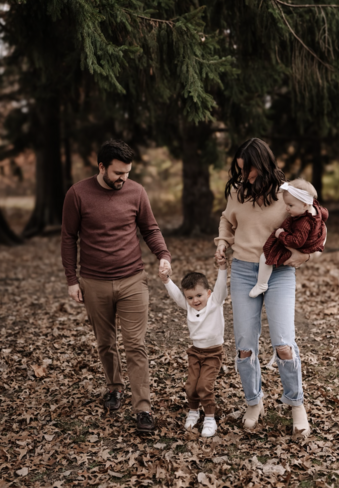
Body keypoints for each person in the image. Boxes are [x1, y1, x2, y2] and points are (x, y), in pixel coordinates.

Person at [61, 139, 172, 434]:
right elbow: (68, 237)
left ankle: (143, 408)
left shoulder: (136, 192)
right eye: (118, 173)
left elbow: (150, 228)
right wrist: (72, 280)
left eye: (127, 172)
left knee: (135, 344)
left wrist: (163, 255)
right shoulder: (77, 194)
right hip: (93, 281)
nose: (124, 179)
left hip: (133, 279)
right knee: (106, 342)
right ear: (101, 167)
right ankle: (114, 387)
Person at [215, 138, 322, 436]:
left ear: (263, 164)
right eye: (240, 169)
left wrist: (307, 255)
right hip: (244, 272)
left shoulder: (287, 193)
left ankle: (296, 403)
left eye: (249, 169)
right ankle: (253, 401)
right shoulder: (237, 192)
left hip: (280, 273)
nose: (245, 175)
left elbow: (317, 225)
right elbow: (226, 220)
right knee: (245, 346)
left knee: (284, 344)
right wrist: (222, 242)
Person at [159, 259, 228, 438]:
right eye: (190, 297)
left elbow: (221, 286)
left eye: (199, 296)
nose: (195, 300)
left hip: (213, 353)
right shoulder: (189, 307)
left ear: (208, 293)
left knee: (204, 386)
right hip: (195, 352)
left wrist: (222, 268)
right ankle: (193, 411)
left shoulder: (215, 302)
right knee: (191, 387)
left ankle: (210, 418)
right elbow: (176, 295)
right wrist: (166, 280)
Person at [249, 178, 328, 297]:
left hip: (297, 247)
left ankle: (261, 284)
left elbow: (296, 242)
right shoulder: (315, 209)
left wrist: (280, 234)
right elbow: (324, 215)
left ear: (305, 204)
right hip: (304, 243)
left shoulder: (303, 223)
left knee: (265, 256)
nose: (287, 208)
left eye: (290, 205)